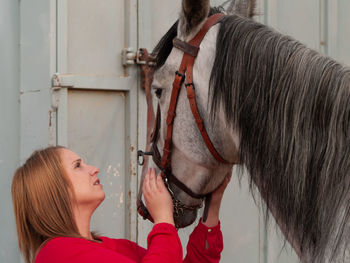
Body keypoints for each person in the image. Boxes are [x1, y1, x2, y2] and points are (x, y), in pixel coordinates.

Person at [11, 146, 231, 263]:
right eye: (78, 166)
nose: (93, 168)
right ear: (54, 189)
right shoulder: (57, 254)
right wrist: (164, 219)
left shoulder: (116, 247)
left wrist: (213, 205)